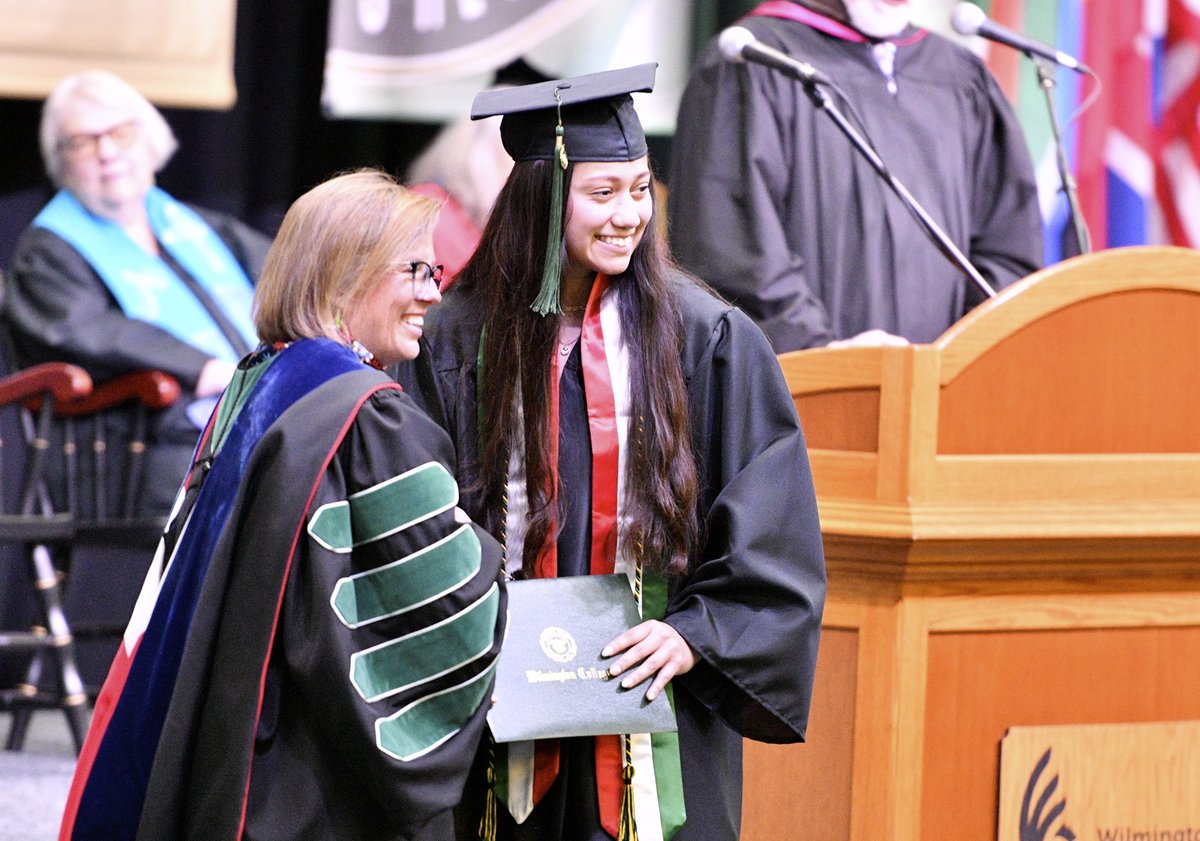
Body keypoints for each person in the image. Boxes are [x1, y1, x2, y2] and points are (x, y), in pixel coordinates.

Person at [404, 65, 826, 841]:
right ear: (543, 199)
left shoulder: (708, 340)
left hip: (654, 715)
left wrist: (695, 633)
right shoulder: (456, 340)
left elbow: (772, 528)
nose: (629, 215)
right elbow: (418, 521)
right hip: (496, 710)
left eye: (640, 189)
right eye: (603, 193)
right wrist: (475, 630)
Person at [58, 170, 506, 841]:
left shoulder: (264, 376)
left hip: (235, 738)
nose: (431, 292)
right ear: (342, 275)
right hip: (307, 774)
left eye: (433, 269)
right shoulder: (366, 416)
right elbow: (438, 604)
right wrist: (501, 576)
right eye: (413, 269)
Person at [668, 0, 1044, 352]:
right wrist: (824, 355)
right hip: (805, 398)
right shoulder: (752, 59)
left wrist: (961, 359)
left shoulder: (958, 75)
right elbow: (731, 248)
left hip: (941, 400)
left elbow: (1007, 246)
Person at [5, 69, 271, 516]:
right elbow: (83, 328)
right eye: (83, 142)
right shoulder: (49, 250)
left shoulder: (197, 227)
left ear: (151, 141)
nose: (106, 152)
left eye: (120, 133)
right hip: (152, 438)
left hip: (250, 417)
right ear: (62, 161)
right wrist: (199, 367)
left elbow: (284, 279)